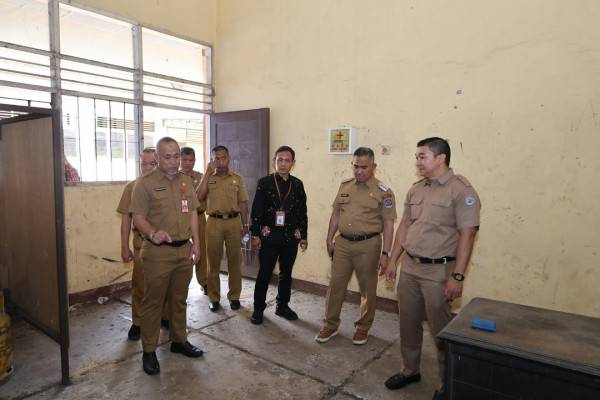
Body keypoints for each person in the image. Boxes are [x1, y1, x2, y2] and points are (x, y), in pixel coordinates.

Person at [382, 137, 481, 400]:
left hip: (439, 271)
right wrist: (393, 260)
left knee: (441, 331)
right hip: (410, 267)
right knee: (408, 323)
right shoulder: (417, 189)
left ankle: (445, 382)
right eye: (416, 157)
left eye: (422, 156)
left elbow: (468, 235)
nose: (417, 162)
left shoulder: (461, 190)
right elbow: (405, 225)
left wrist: (457, 276)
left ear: (440, 158)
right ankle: (410, 369)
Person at [130, 137, 203, 375]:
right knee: (153, 302)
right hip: (157, 253)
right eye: (167, 157)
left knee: (179, 299)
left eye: (176, 156)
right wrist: (153, 234)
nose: (173, 162)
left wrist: (196, 243)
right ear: (158, 158)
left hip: (184, 251)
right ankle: (149, 350)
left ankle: (179, 340)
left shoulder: (186, 180)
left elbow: (192, 212)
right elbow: (137, 218)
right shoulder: (144, 184)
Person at [315, 146, 396, 345]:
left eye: (364, 167)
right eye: (355, 166)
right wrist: (329, 238)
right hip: (342, 244)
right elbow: (336, 214)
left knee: (367, 289)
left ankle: (363, 327)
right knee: (335, 286)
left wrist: (385, 253)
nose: (359, 171)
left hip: (368, 245)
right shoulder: (345, 186)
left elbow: (388, 225)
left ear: (374, 166)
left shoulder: (384, 192)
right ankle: (330, 324)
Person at [249, 146, 308, 325]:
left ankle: (282, 306)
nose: (283, 164)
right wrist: (255, 234)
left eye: (287, 160)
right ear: (274, 161)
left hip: (290, 236)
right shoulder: (265, 182)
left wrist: (304, 235)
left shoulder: (297, 184)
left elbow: (302, 212)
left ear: (293, 163)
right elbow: (256, 210)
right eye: (280, 160)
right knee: (265, 273)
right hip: (269, 236)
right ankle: (258, 308)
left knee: (286, 274)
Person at [116, 147, 169, 340]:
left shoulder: (168, 186)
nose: (147, 168)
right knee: (140, 285)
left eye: (152, 163)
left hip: (166, 246)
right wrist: (124, 247)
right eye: (143, 164)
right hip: (142, 245)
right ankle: (137, 322)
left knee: (166, 285)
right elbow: (126, 219)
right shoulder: (132, 187)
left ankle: (165, 317)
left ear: (160, 164)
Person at [196, 145, 249, 312]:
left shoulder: (238, 178)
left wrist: (245, 225)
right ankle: (214, 298)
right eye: (216, 158)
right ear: (212, 160)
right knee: (212, 263)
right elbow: (199, 196)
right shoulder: (208, 177)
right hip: (214, 222)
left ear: (229, 158)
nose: (220, 162)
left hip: (233, 222)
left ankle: (234, 297)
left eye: (223, 158)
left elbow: (243, 203)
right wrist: (206, 173)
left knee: (235, 262)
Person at [180, 146, 209, 296]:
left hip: (198, 217)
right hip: (180, 219)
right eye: (184, 160)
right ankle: (181, 284)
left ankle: (204, 282)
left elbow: (201, 197)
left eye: (190, 160)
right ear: (179, 160)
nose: (187, 163)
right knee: (182, 251)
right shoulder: (174, 178)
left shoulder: (201, 177)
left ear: (194, 161)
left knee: (201, 249)